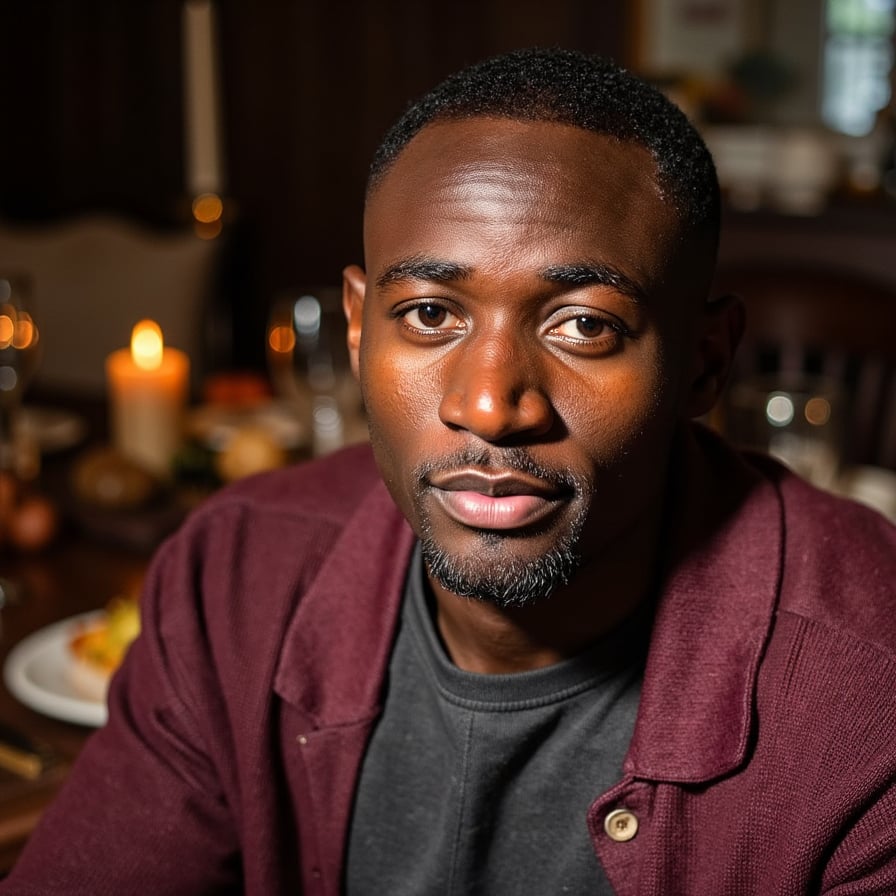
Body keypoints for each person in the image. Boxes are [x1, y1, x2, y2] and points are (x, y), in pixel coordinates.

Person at [4, 47, 896, 896]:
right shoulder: (234, 577)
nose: (489, 403)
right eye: (430, 313)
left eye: (584, 325)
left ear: (704, 363)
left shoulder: (868, 698)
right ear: (358, 331)